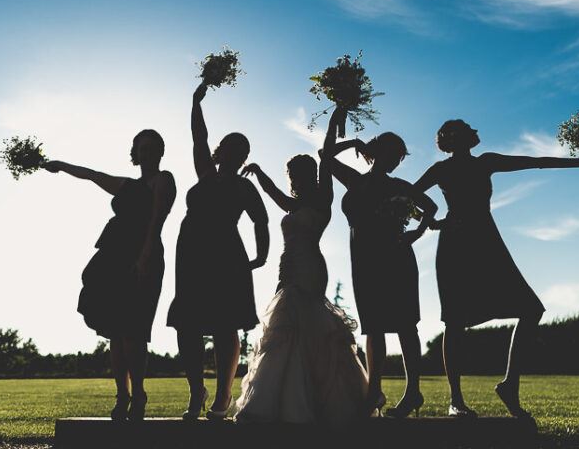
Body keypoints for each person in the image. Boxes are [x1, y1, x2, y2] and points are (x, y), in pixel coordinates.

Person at [414, 119, 579, 418]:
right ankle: (456, 401)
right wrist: (432, 223)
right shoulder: (440, 170)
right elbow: (409, 196)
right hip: (455, 245)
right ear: (452, 139)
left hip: (487, 240)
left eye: (468, 129)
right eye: (462, 130)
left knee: (531, 309)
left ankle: (509, 384)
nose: (470, 132)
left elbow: (537, 162)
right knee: (455, 321)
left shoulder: (486, 162)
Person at [235, 107, 368, 424]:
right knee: (285, 330)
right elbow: (272, 193)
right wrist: (257, 170)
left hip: (310, 267)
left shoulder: (322, 200)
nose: (296, 180)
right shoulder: (293, 204)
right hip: (286, 266)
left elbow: (325, 154)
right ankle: (282, 402)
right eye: (292, 175)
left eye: (300, 174)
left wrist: (338, 113)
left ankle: (321, 402)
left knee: (310, 327)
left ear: (311, 176)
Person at [43, 129, 176, 421]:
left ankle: (138, 393)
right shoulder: (128, 184)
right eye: (143, 148)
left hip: (144, 256)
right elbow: (92, 174)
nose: (148, 153)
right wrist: (61, 166)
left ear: (161, 152)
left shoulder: (163, 180)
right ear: (136, 153)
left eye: (153, 148)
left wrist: (144, 257)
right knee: (115, 332)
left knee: (133, 331)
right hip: (115, 258)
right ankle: (122, 395)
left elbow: (157, 219)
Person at [166, 83, 269, 420]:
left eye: (240, 149)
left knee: (227, 326)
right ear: (220, 151)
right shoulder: (205, 175)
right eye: (228, 146)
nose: (232, 151)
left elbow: (261, 221)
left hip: (227, 257)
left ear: (243, 157)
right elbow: (198, 136)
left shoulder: (244, 186)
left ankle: (223, 392)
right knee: (188, 325)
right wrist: (196, 101)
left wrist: (261, 256)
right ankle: (197, 391)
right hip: (193, 254)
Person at [322, 126, 437, 418]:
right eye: (392, 154)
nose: (396, 160)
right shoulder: (355, 180)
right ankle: (374, 391)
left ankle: (413, 392)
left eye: (399, 157)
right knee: (373, 326)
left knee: (405, 324)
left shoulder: (400, 185)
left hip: (397, 259)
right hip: (364, 260)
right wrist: (353, 142)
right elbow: (325, 154)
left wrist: (417, 233)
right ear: (377, 153)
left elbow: (431, 206)